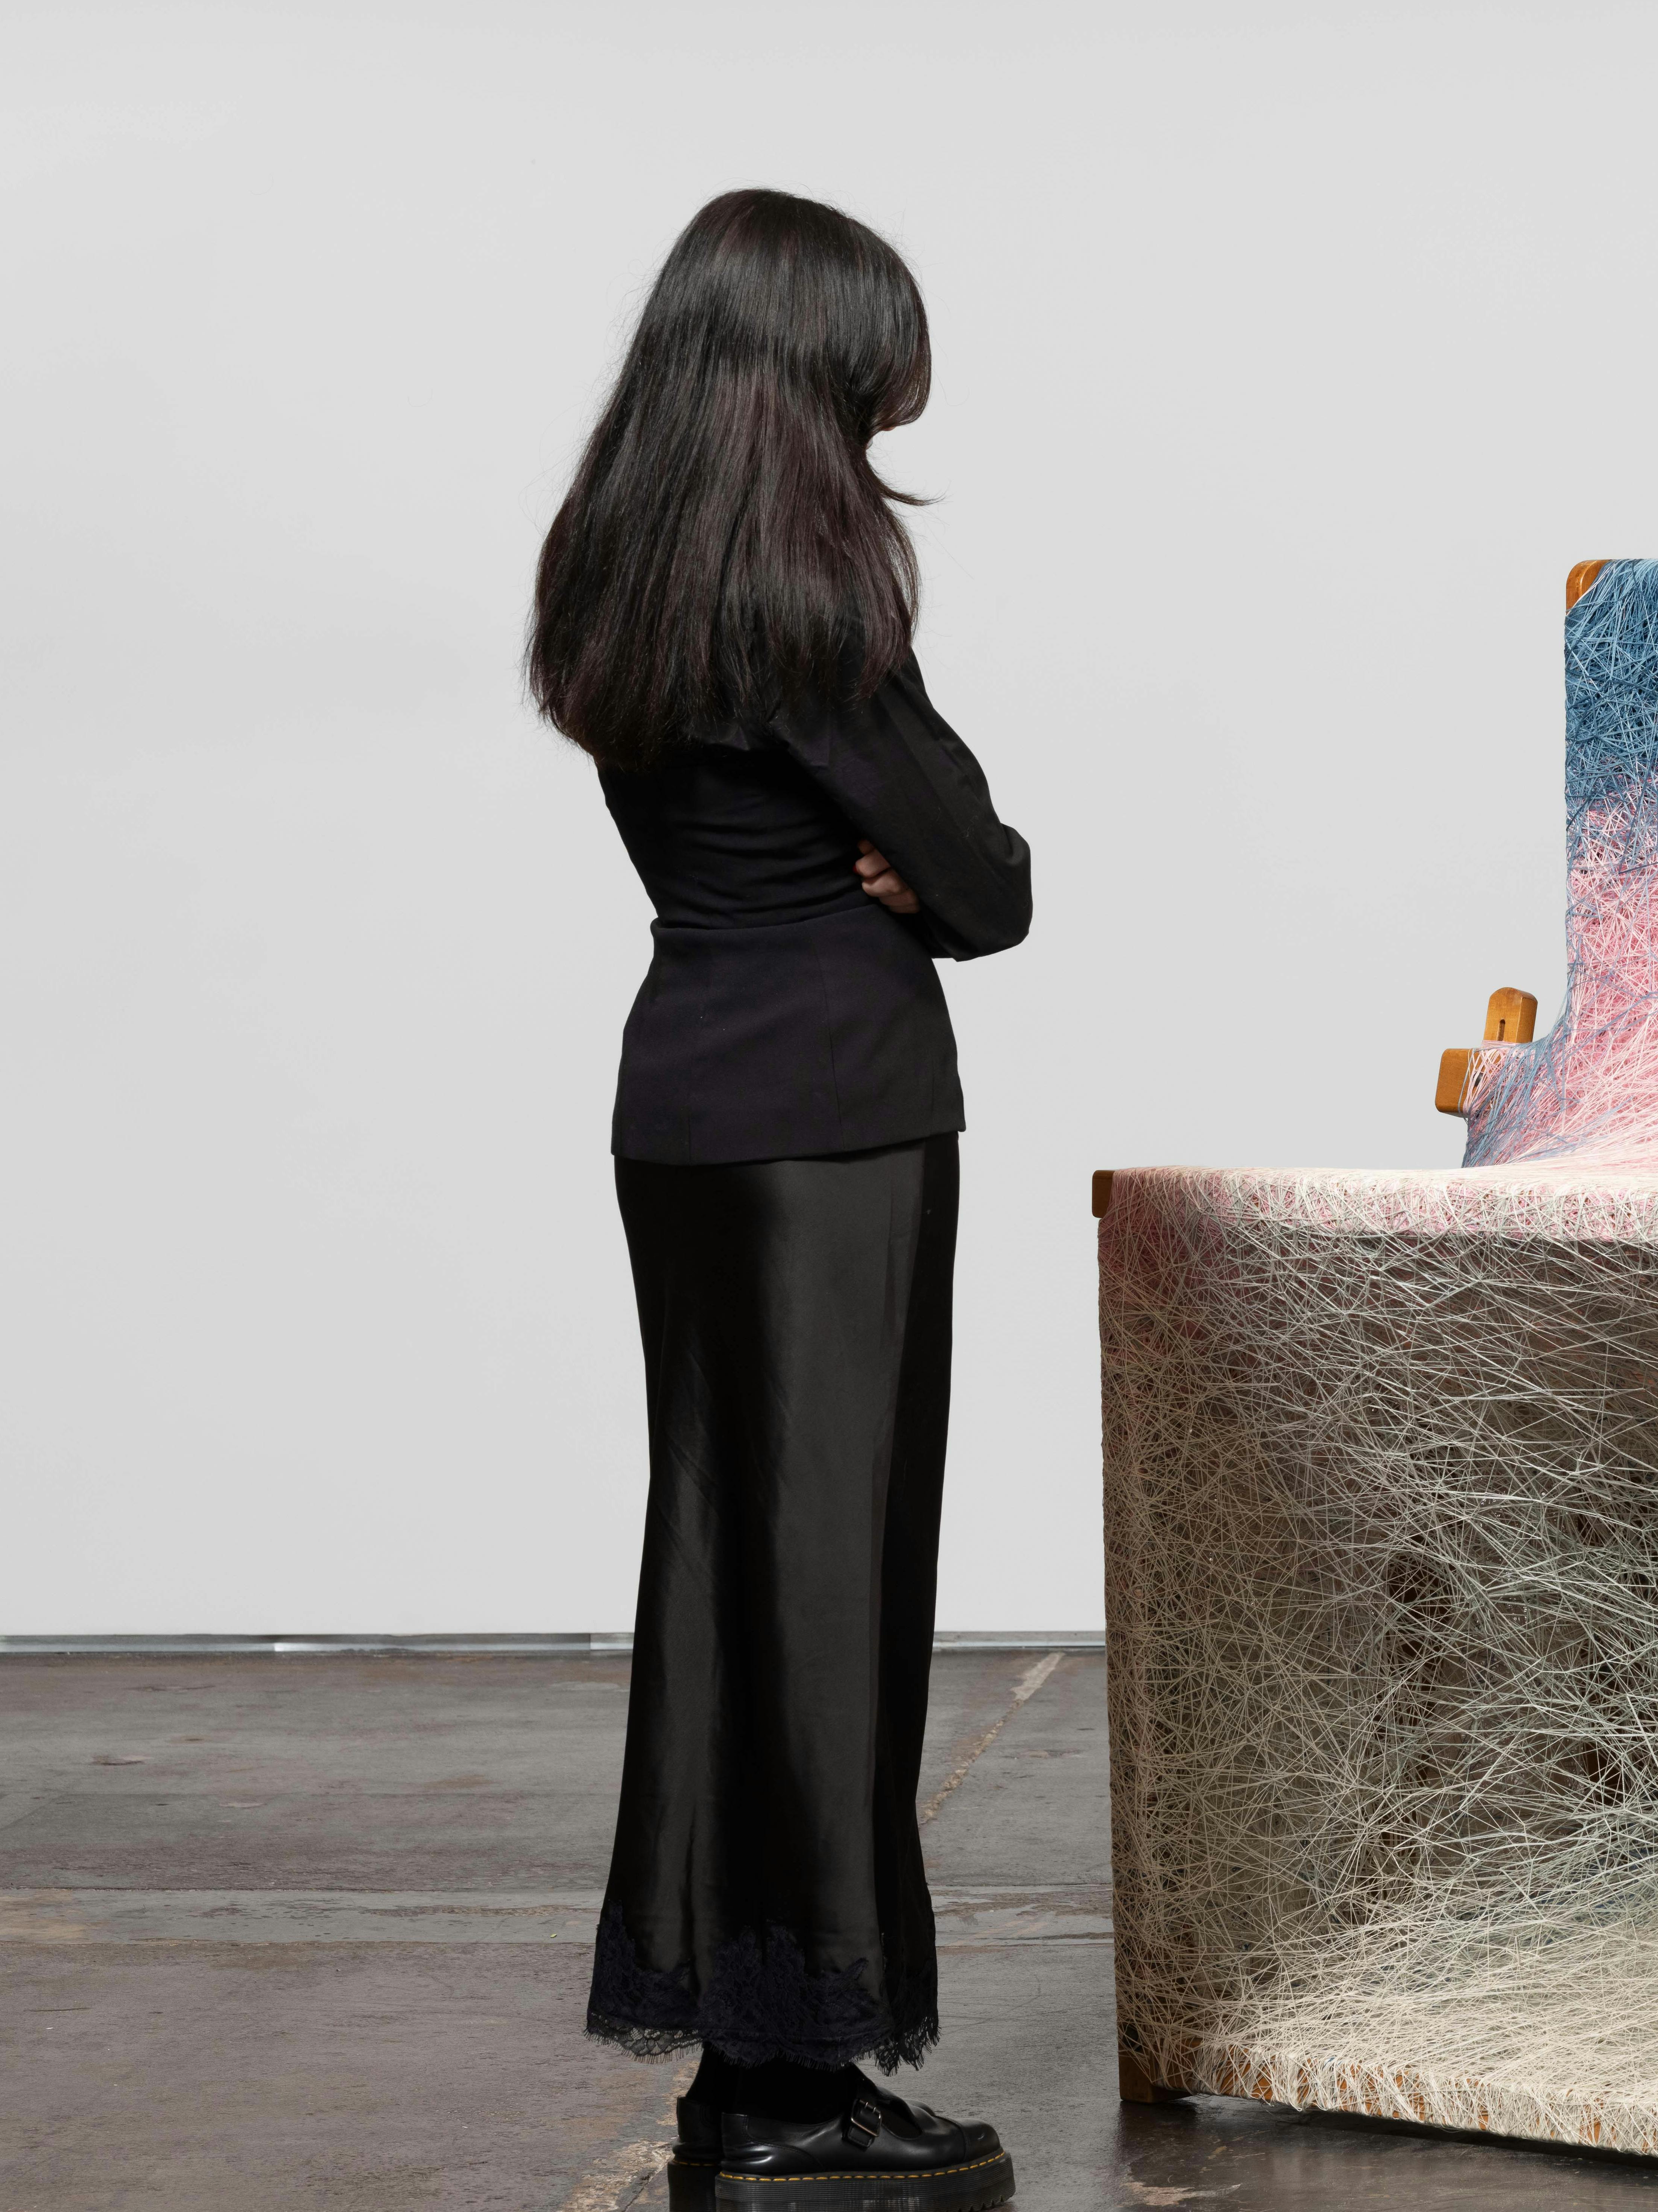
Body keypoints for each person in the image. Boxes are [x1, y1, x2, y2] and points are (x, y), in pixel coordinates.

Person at [530, 187, 1032, 2212]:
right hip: (839, 1124)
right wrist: (928, 863)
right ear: (807, 381)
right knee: (836, 1600)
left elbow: (940, 863)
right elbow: (988, 884)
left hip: (687, 1110)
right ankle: (795, 2086)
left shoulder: (615, 573)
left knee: (729, 1581)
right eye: (863, 386)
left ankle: (748, 2063)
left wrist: (921, 856)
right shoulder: (814, 607)